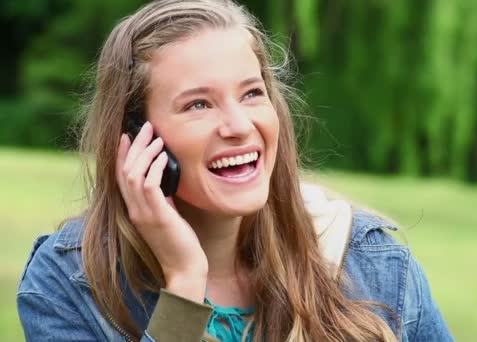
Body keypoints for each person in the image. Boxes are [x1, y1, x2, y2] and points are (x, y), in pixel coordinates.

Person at [17, 0, 452, 341]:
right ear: (136, 137)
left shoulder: (367, 261)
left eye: (251, 94)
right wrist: (184, 283)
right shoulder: (70, 284)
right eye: (198, 104)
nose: (239, 127)